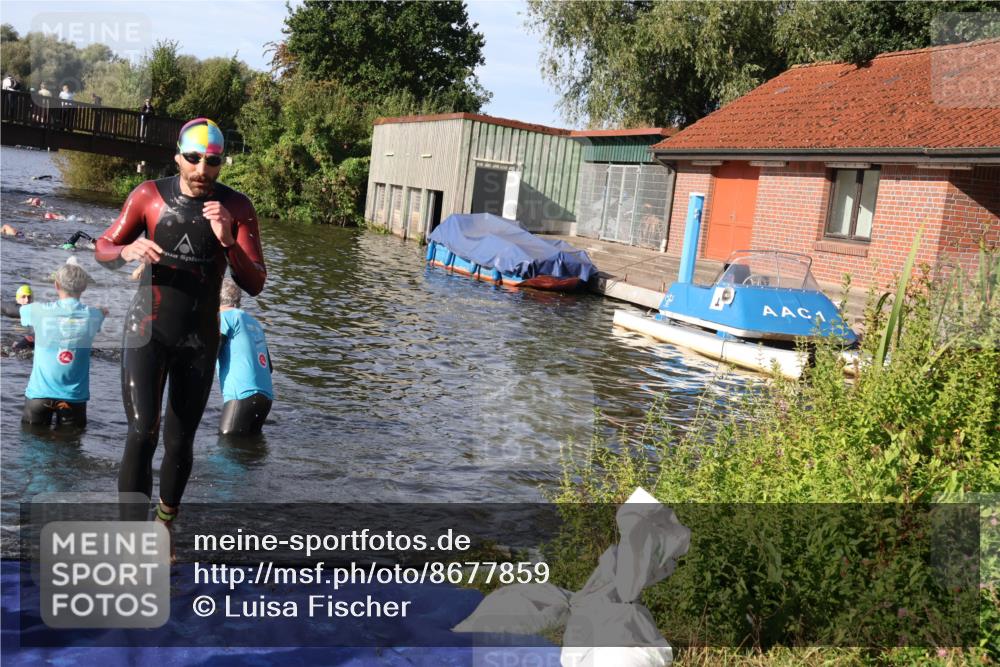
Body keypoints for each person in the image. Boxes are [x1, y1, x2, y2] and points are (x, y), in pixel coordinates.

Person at [95, 117, 266, 525]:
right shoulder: (148, 196)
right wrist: (126, 251)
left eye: (212, 161)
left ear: (221, 163)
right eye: (193, 158)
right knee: (141, 432)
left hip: (198, 341)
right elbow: (103, 246)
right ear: (178, 157)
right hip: (146, 332)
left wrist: (227, 239)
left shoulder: (237, 208)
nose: (202, 169)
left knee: (179, 442)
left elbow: (255, 281)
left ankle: (164, 524)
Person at [20, 264, 106, 428]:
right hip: (73, 398)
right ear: (84, 287)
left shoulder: (39, 311)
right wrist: (102, 312)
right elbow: (100, 314)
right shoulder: (94, 315)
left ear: (56, 285)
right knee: (69, 448)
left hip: (39, 395)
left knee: (31, 446)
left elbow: (22, 310)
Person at [217, 276, 273, 435]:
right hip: (265, 398)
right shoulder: (254, 323)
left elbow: (212, 353)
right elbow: (269, 367)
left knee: (228, 444)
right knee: (250, 451)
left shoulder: (224, 317)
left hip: (241, 395)